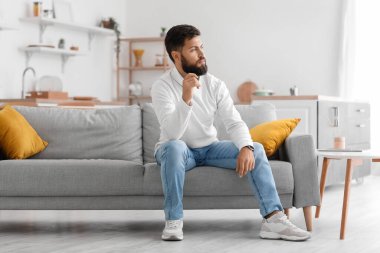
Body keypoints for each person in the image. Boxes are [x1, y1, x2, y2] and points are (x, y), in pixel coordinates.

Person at [151, 24, 310, 242]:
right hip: (176, 150)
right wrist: (185, 98)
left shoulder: (214, 84)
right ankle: (173, 221)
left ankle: (273, 220)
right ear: (176, 55)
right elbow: (172, 134)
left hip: (209, 148)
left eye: (202, 47)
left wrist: (246, 147)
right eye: (193, 49)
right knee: (174, 147)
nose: (202, 54)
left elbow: (234, 122)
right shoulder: (162, 87)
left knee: (257, 148)